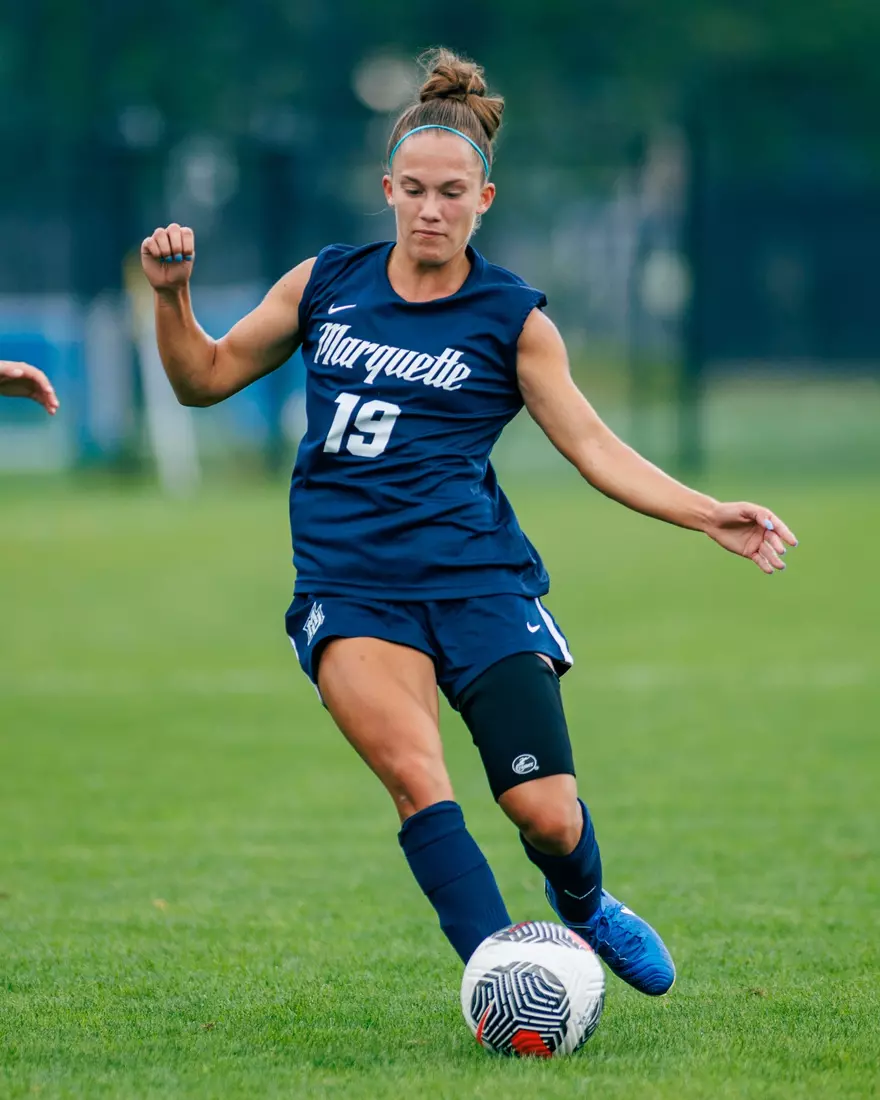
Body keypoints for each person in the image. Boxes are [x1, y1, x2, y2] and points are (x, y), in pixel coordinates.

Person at [141, 49, 796, 997]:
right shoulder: (324, 283)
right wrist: (173, 301)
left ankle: (584, 908)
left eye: (452, 192)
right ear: (387, 190)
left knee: (547, 815)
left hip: (480, 582)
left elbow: (594, 447)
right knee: (419, 780)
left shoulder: (512, 317)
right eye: (413, 190)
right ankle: (508, 983)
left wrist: (706, 515)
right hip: (351, 586)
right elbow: (201, 381)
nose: (431, 209)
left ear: (485, 197)